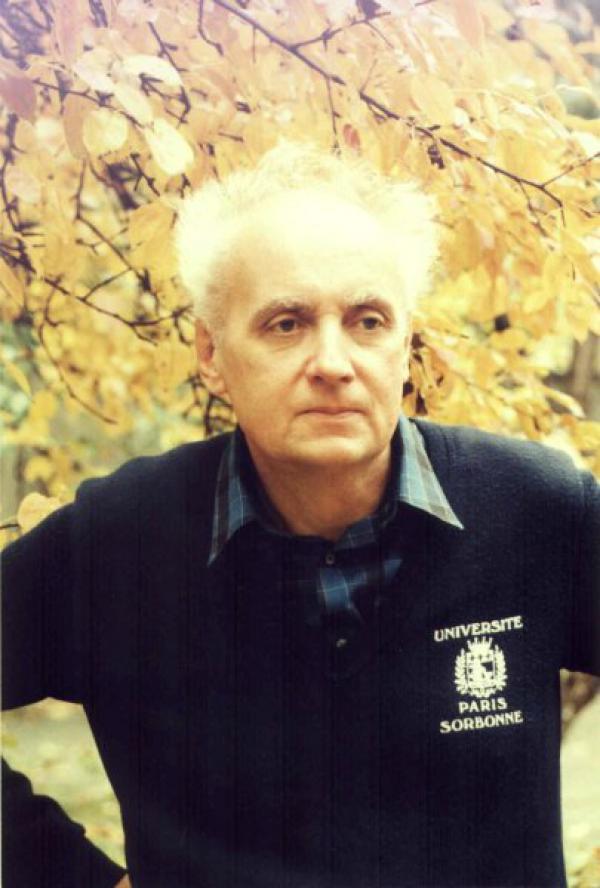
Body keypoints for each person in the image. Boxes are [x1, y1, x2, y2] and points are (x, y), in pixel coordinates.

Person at [2, 140, 599, 888]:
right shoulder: (119, 542)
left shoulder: (537, 510)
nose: (334, 363)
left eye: (368, 321)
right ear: (212, 354)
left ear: (405, 344)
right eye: (286, 324)